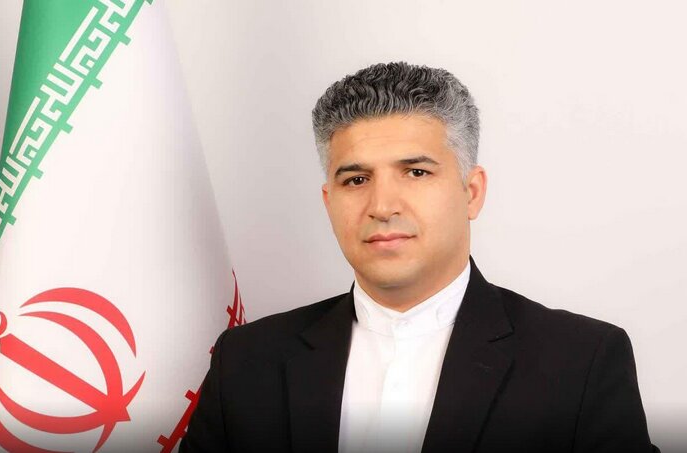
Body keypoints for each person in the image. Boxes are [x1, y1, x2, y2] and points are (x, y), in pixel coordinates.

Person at [180, 62, 658, 453]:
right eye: (356, 180)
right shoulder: (246, 361)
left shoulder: (579, 362)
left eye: (415, 172)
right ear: (329, 201)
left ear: (471, 192)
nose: (382, 206)